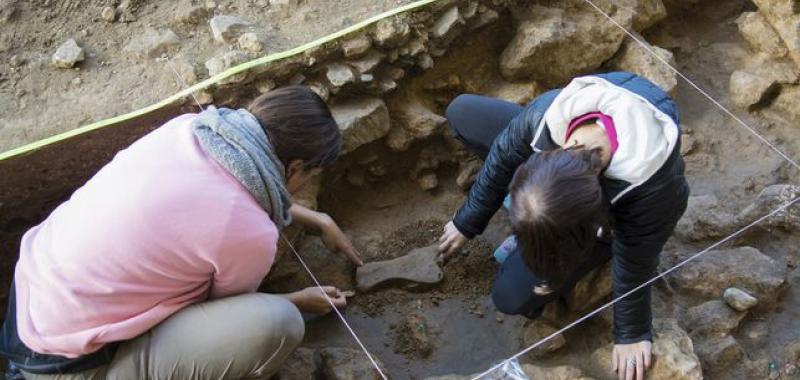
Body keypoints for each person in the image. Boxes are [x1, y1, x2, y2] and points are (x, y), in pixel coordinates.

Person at [0, 85, 363, 380]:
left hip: (32, 299)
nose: (305, 185)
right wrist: (296, 301)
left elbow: (226, 196)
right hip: (69, 364)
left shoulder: (190, 129)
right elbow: (223, 310)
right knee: (277, 324)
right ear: (296, 167)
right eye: (311, 176)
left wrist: (317, 219)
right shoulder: (251, 234)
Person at [438, 72, 689, 380]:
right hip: (578, 176)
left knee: (510, 296)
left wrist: (632, 331)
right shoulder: (549, 114)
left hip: (613, 216)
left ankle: (580, 241)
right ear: (545, 156)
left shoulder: (656, 193)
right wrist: (467, 221)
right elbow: (504, 156)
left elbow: (637, 257)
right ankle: (540, 214)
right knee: (463, 112)